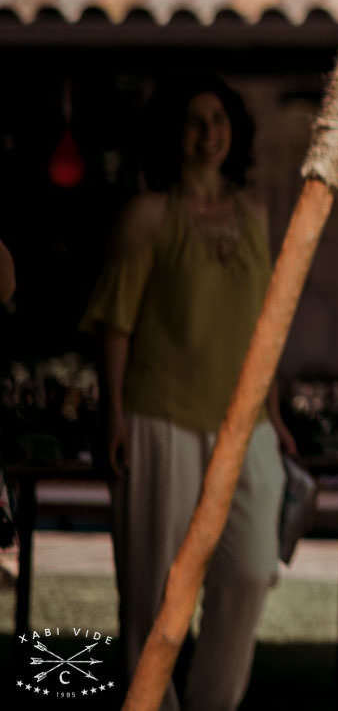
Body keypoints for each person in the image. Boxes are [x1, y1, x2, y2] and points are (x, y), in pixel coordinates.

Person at [82, 75, 294, 711]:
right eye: (197, 121)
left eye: (221, 120)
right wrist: (114, 414)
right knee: (151, 591)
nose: (211, 134)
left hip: (245, 424)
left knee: (253, 571)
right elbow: (116, 322)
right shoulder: (147, 217)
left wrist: (275, 415)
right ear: (173, 134)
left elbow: (268, 324)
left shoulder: (257, 213)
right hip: (158, 418)